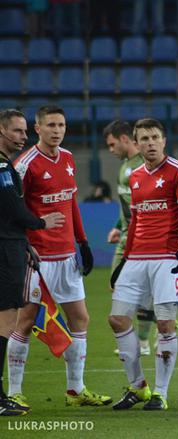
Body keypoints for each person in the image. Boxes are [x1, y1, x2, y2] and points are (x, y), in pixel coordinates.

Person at [8, 106, 111, 409]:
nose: (57, 130)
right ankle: (14, 391)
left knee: (80, 319)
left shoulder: (67, 158)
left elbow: (71, 202)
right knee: (24, 321)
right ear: (37, 129)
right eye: (51, 125)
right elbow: (15, 212)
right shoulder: (24, 165)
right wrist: (26, 246)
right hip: (38, 257)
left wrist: (83, 241)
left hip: (67, 256)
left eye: (62, 125)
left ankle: (76, 391)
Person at [109, 118, 178, 411]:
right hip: (137, 256)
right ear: (137, 143)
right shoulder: (134, 176)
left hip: (167, 257)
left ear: (164, 140)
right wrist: (123, 260)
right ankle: (138, 386)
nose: (151, 143)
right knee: (117, 319)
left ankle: (161, 393)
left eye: (155, 137)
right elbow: (134, 221)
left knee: (166, 324)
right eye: (144, 139)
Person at [0, 109, 65, 416]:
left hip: (13, 245)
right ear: (1, 131)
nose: (23, 137)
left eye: (25, 131)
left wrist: (26, 242)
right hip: (4, 250)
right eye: (16, 131)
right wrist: (40, 224)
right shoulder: (3, 165)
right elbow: (13, 209)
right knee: (6, 321)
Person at [104, 120, 153, 357]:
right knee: (117, 286)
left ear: (125, 139)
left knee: (145, 292)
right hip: (126, 236)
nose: (110, 150)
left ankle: (142, 342)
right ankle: (136, 338)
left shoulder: (145, 165)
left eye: (112, 144)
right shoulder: (125, 167)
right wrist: (117, 226)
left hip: (144, 238)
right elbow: (128, 205)